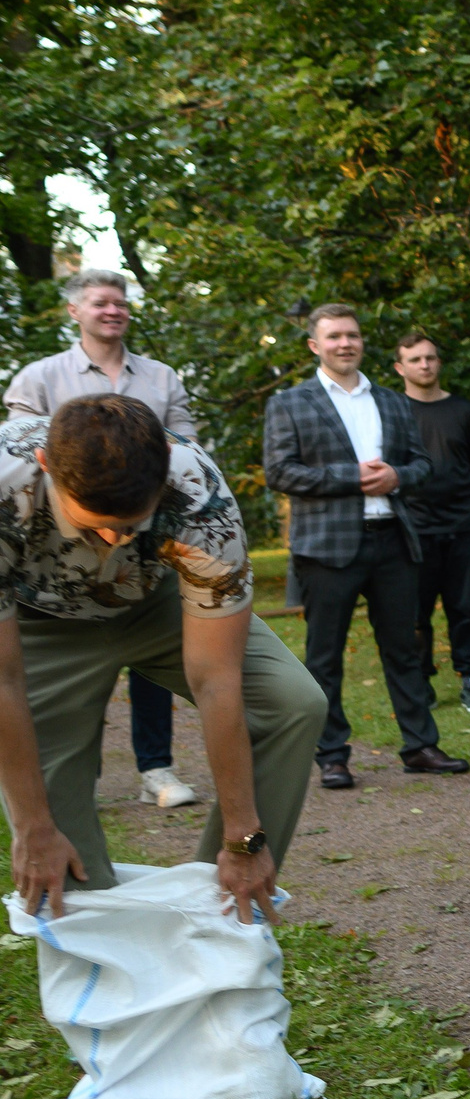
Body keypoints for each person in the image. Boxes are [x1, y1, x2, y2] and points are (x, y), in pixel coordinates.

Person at [0, 395, 327, 922]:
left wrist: (245, 836)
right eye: (94, 524)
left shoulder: (196, 490)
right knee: (59, 857)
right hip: (40, 622)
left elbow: (217, 678)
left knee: (292, 703)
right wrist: (32, 826)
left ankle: (215, 913)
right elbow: (2, 680)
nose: (113, 539)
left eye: (131, 524)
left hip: (158, 601)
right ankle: (102, 972)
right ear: (45, 466)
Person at [6, 269, 201, 811]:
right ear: (74, 311)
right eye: (100, 303)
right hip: (60, 547)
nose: (113, 311)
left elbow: (187, 450)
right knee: (68, 665)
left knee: (156, 652)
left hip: (145, 540)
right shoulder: (38, 377)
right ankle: (77, 777)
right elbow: (23, 453)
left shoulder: (162, 378)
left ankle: (156, 767)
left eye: (120, 303)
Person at [262, 304, 469, 789]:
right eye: (333, 336)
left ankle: (420, 745)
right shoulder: (290, 403)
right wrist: (349, 478)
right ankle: (331, 754)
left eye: (352, 335)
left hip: (393, 541)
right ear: (315, 345)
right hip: (327, 549)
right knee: (324, 657)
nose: (345, 343)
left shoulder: (394, 403)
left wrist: (398, 476)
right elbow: (280, 472)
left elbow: (422, 465)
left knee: (405, 650)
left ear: (361, 342)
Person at [392, 333, 470, 714]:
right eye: (415, 359)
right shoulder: (393, 412)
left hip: (463, 525)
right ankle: (421, 683)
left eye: (431, 358)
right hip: (412, 528)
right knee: (415, 612)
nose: (425, 365)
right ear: (401, 367)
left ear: (439, 362)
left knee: (465, 605)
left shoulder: (465, 411)